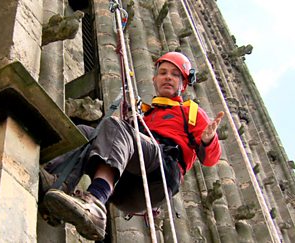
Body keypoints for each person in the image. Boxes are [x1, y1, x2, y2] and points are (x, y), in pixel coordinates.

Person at [39, 52, 224, 241]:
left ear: (184, 83)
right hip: (126, 187)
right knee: (86, 134)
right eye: (163, 72)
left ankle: (95, 204)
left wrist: (208, 140)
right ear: (155, 79)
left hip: (161, 172)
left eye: (175, 74)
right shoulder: (146, 114)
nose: (168, 77)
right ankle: (58, 182)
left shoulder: (191, 112)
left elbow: (210, 160)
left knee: (114, 125)